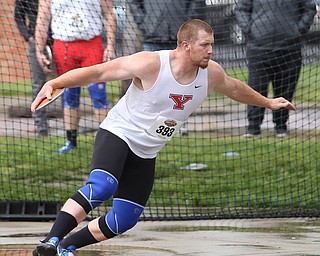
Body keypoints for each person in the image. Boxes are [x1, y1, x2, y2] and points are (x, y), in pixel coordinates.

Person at [31, 19, 295, 256]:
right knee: (101, 187)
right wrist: (56, 83)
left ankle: (67, 246)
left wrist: (269, 103)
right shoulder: (151, 64)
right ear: (185, 45)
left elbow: (235, 87)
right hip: (119, 132)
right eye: (205, 45)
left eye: (212, 44)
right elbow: (99, 72)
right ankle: (50, 241)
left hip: (147, 150)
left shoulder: (210, 73)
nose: (211, 50)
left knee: (125, 219)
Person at [35, 0, 117, 153]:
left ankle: (108, 143)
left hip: (91, 45)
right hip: (64, 47)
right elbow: (43, 18)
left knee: (98, 94)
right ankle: (70, 142)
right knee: (70, 95)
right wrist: (39, 50)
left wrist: (110, 46)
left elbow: (110, 14)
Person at [234, 0, 316, 138]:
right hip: (259, 48)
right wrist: (250, 29)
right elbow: (241, 9)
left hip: (289, 48)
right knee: (256, 88)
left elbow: (309, 7)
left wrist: (298, 30)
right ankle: (253, 128)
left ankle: (281, 127)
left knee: (285, 89)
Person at [14, 0, 51, 137]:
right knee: (38, 85)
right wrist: (28, 37)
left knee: (65, 83)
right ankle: (41, 128)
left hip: (59, 41)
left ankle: (69, 129)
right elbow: (18, 15)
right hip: (35, 42)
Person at [128, 0, 206, 52]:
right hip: (152, 38)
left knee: (182, 75)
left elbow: (197, 3)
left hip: (182, 40)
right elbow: (134, 2)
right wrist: (144, 23)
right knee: (153, 74)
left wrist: (189, 22)